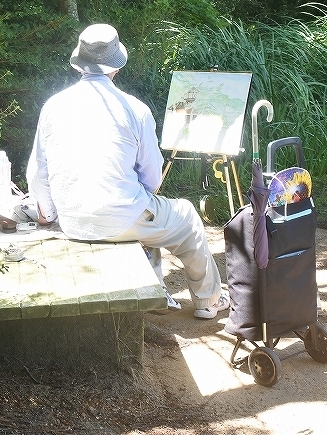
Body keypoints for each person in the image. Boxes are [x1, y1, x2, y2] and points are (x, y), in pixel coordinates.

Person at [26, 23, 228, 319]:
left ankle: (158, 292)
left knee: (146, 212)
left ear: (79, 65)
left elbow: (36, 172)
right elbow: (152, 177)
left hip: (72, 222)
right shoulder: (134, 108)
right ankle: (208, 301)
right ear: (116, 67)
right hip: (120, 217)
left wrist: (47, 215)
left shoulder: (52, 106)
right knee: (184, 216)